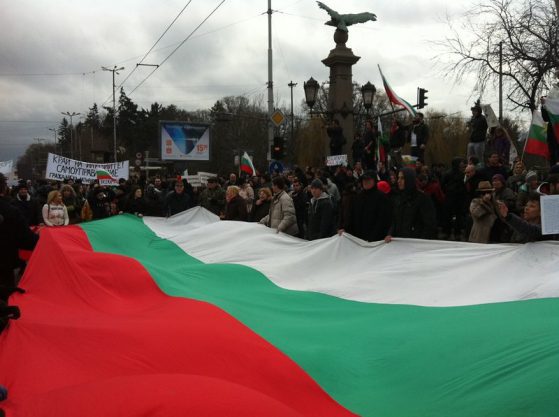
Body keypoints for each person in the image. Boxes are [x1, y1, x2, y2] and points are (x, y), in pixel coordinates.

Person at [0, 173, 39, 301]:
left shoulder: (13, 209)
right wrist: (40, 238)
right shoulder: (11, 210)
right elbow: (27, 240)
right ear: (4, 188)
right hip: (4, 265)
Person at [385, 167, 437, 241]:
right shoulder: (398, 197)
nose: (398, 181)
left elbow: (429, 224)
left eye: (402, 178)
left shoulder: (422, 198)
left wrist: (421, 241)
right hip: (399, 242)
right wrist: (390, 234)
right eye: (398, 178)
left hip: (415, 243)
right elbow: (394, 220)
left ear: (409, 179)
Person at [340, 171, 392, 242]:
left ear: (374, 181)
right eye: (364, 180)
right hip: (358, 240)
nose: (365, 182)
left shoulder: (382, 198)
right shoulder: (358, 197)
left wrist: (374, 237)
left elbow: (384, 220)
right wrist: (345, 229)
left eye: (368, 180)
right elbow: (352, 217)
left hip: (376, 240)